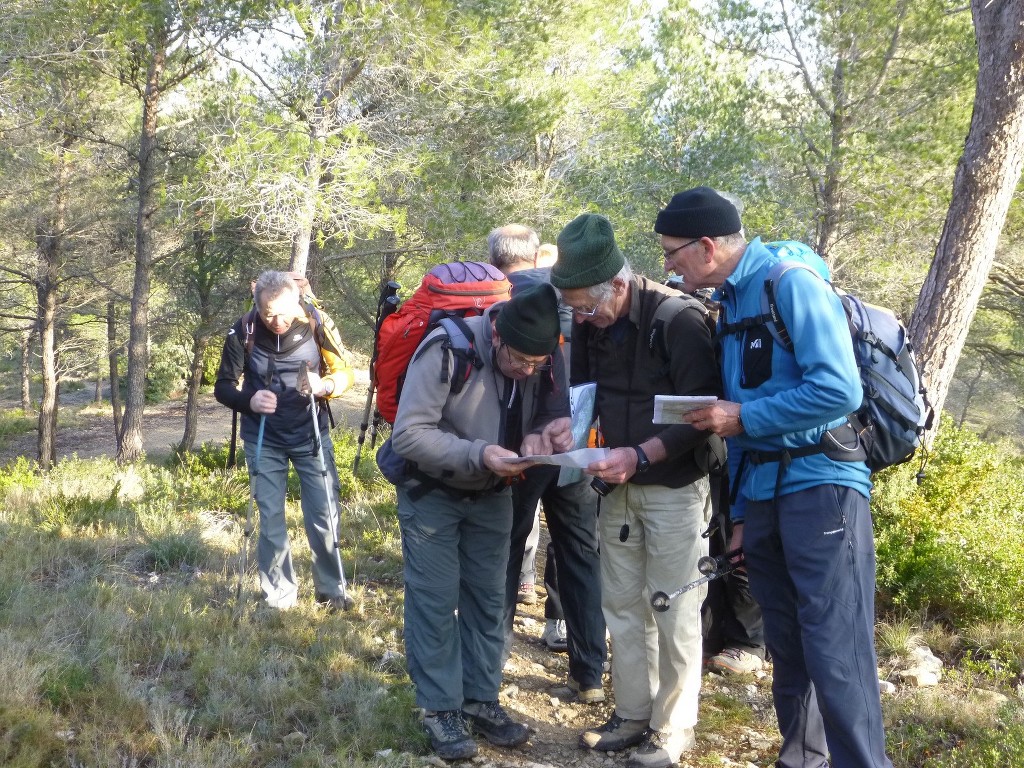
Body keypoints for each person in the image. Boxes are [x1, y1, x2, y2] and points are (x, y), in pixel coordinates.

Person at [657, 186, 893, 768]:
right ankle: (802, 759)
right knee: (787, 648)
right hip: (762, 499)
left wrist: (744, 416)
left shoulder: (791, 284)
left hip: (822, 490)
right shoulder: (732, 302)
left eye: (672, 251)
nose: (667, 264)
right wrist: (738, 517)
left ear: (706, 247)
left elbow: (840, 389)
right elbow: (736, 423)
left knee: (837, 649)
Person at [549, 213, 722, 768]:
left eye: (587, 306)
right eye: (573, 308)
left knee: (672, 608)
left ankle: (672, 730)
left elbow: (705, 412)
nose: (580, 318)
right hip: (615, 483)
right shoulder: (588, 321)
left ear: (619, 285)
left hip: (673, 486)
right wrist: (569, 431)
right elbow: (584, 389)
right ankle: (631, 713)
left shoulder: (679, 321)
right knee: (621, 605)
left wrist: (640, 455)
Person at [388, 283, 570, 760]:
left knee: (490, 600)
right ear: (496, 333)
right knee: (435, 601)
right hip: (432, 492)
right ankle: (439, 709)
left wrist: (543, 435)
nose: (528, 370)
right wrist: (479, 453)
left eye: (538, 364)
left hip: (493, 494)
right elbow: (408, 434)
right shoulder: (447, 347)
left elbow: (550, 410)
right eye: (520, 362)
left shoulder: (545, 353)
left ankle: (481, 699)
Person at [488, 224, 607, 690]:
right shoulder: (574, 296)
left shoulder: (500, 296)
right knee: (580, 551)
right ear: (537, 254)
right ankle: (589, 671)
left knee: (508, 547)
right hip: (578, 439)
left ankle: (491, 663)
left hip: (523, 445)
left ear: (495, 258)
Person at [214, 270, 356, 611]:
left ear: (297, 302)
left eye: (283, 312)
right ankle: (279, 596)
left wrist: (325, 387)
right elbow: (222, 386)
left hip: (311, 433)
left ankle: (331, 590)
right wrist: (249, 401)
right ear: (257, 305)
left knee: (324, 513)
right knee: (271, 517)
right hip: (263, 438)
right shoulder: (243, 329)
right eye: (268, 313)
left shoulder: (318, 323)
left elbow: (345, 372)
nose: (276, 321)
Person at [688, 287, 767, 676]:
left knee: (741, 531)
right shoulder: (715, 327)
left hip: (745, 440)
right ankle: (714, 635)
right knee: (719, 532)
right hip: (717, 444)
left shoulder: (748, 329)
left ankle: (748, 643)